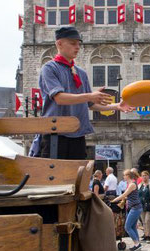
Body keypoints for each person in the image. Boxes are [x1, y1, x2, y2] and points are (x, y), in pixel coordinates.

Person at [29, 27, 133, 159]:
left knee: (77, 176)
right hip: (55, 132)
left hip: (77, 132)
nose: (77, 47)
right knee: (53, 176)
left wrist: (117, 106)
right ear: (59, 44)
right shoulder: (49, 68)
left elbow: (90, 104)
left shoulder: (81, 73)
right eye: (73, 43)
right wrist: (90, 96)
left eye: (79, 43)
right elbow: (60, 98)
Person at [112, 169, 143, 251]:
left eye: (124, 175)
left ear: (128, 176)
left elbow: (124, 195)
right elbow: (127, 196)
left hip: (135, 208)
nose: (123, 177)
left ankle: (137, 244)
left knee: (127, 226)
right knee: (133, 226)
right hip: (134, 207)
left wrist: (114, 201)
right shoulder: (130, 183)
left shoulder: (132, 184)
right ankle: (137, 244)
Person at [138, 171, 150, 242]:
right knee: (143, 221)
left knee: (148, 220)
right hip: (141, 205)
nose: (144, 177)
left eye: (145, 175)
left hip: (149, 205)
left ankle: (148, 236)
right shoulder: (140, 185)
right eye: (143, 175)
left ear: (148, 176)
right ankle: (145, 234)